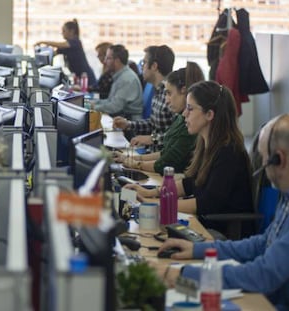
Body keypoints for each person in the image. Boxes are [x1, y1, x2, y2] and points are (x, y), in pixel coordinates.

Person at [157, 114, 289, 311]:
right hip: (260, 297)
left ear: (280, 160)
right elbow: (261, 243)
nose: (263, 170)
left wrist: (182, 274)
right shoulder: (286, 198)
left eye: (264, 161)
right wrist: (197, 249)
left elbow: (263, 275)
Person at [125, 81, 254, 236]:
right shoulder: (207, 144)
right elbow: (191, 184)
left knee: (151, 237)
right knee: (127, 202)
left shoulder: (228, 152)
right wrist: (149, 192)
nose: (184, 114)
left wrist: (157, 204)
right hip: (202, 222)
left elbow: (206, 203)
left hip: (219, 232)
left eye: (190, 109)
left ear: (209, 115)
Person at [114, 62, 204, 175]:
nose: (166, 100)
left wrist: (135, 164)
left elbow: (167, 162)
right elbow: (165, 153)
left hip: (169, 176)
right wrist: (133, 159)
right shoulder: (179, 118)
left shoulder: (189, 125)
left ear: (183, 91)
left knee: (127, 188)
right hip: (164, 172)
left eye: (169, 93)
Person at [113, 45, 176, 146]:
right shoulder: (158, 91)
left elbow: (177, 137)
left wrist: (152, 139)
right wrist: (128, 124)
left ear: (154, 66)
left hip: (160, 157)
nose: (142, 67)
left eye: (144, 63)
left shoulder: (171, 95)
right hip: (151, 152)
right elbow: (153, 123)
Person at [35, 19, 97, 87]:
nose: (62, 33)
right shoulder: (65, 47)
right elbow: (52, 54)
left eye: (64, 31)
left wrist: (43, 42)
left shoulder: (75, 42)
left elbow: (59, 44)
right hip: (78, 78)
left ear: (71, 31)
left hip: (86, 79)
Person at [90, 44, 143, 120]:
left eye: (108, 58)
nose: (104, 61)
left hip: (128, 123)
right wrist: (93, 103)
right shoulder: (120, 76)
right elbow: (110, 101)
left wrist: (92, 107)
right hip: (121, 118)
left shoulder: (126, 79)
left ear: (117, 61)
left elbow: (114, 107)